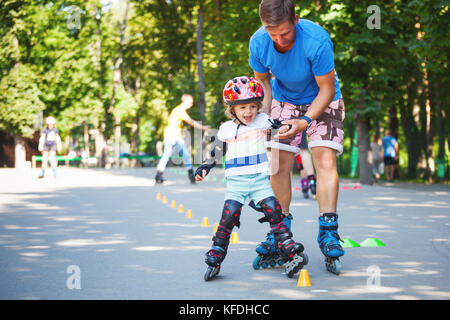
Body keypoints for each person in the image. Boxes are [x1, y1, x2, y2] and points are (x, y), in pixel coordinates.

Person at [248, 0, 345, 274]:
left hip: (322, 97)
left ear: (296, 20)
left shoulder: (316, 40)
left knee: (324, 160)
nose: (279, 39)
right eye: (272, 33)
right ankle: (280, 230)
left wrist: (304, 121)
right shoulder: (258, 42)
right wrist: (265, 119)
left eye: (285, 33)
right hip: (283, 98)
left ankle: (328, 230)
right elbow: (263, 82)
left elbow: (325, 89)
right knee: (277, 162)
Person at [196, 76, 308, 281]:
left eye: (252, 106)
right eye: (242, 108)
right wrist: (205, 166)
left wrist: (284, 126)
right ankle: (216, 255)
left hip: (259, 181)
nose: (248, 112)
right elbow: (217, 152)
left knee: (275, 211)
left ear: (258, 106)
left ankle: (288, 250)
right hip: (236, 184)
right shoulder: (226, 129)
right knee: (228, 217)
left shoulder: (262, 121)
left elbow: (278, 125)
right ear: (232, 109)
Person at [154, 94, 209, 184]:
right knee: (183, 154)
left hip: (171, 133)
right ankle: (191, 174)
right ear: (186, 101)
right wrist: (203, 128)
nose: (191, 105)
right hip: (173, 134)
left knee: (168, 154)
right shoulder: (180, 110)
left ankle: (159, 174)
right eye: (190, 103)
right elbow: (191, 122)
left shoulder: (178, 110)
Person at [295, 133, 317, 199]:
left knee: (274, 148)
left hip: (274, 125)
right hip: (298, 123)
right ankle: (312, 181)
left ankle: (268, 179)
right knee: (303, 150)